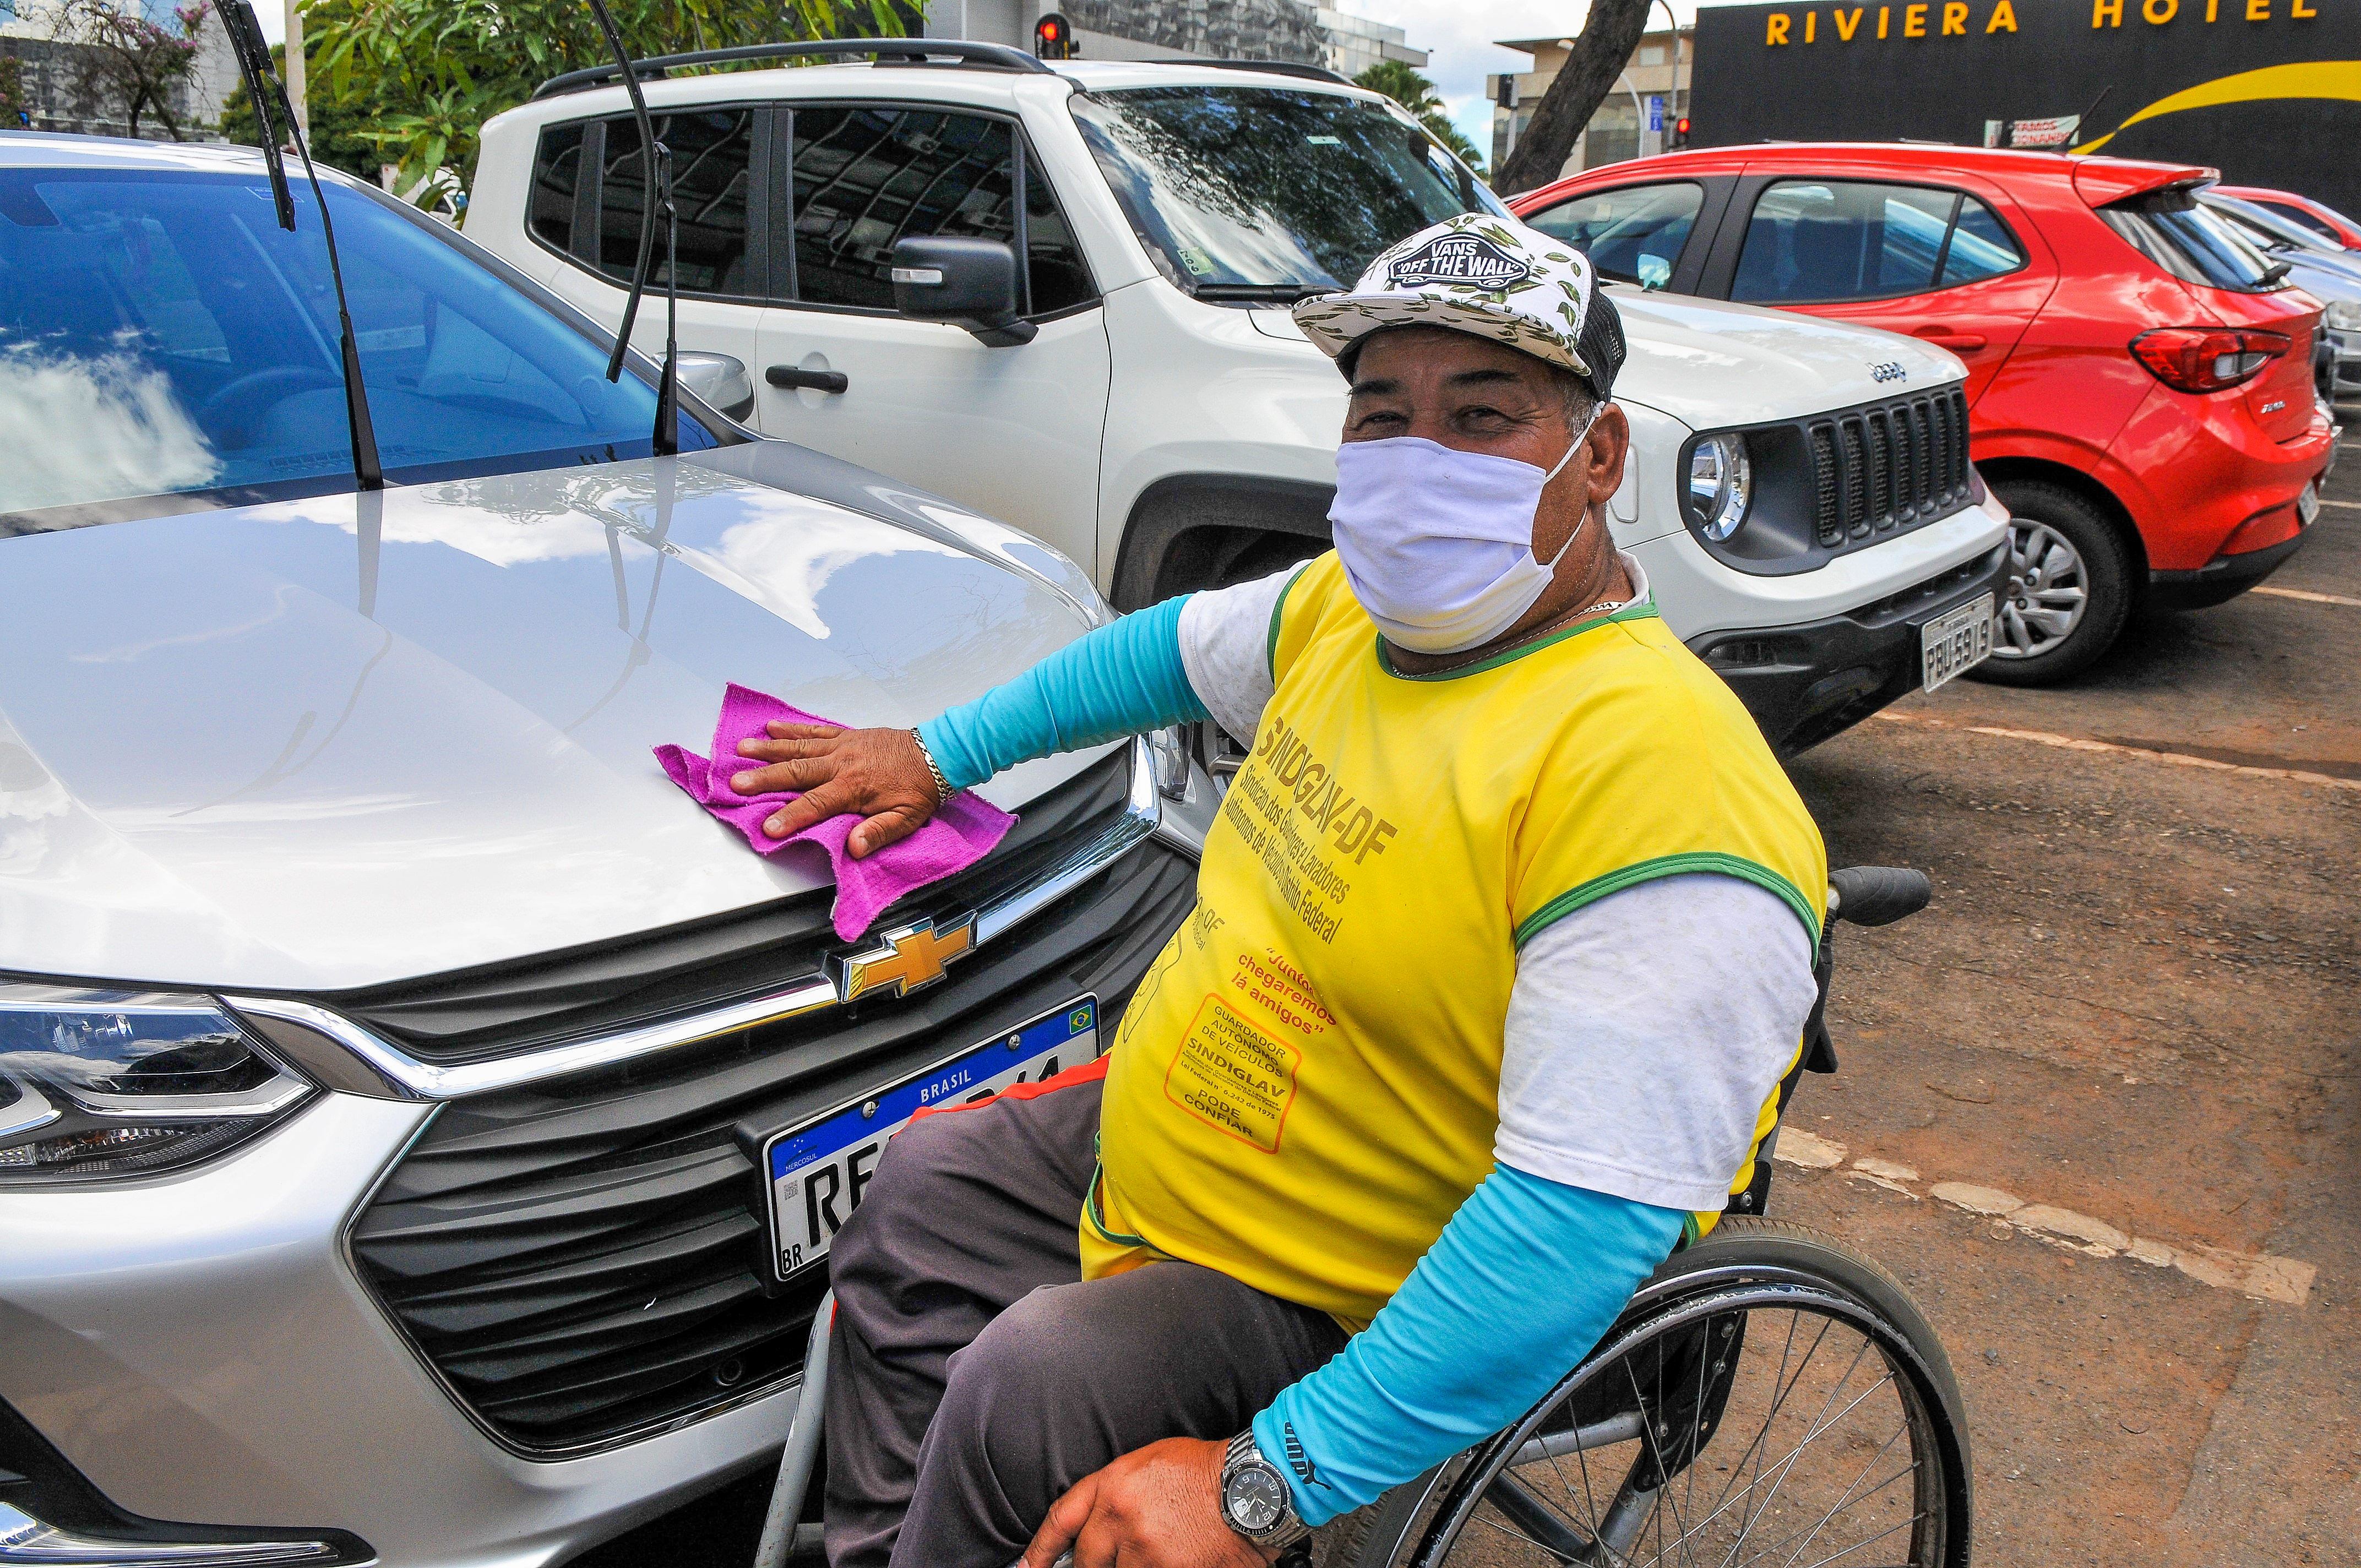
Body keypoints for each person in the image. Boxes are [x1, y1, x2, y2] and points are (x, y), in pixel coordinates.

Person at [726, 215, 1829, 1568]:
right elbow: (1152, 658)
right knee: (925, 1182)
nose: (1415, 459)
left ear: (1597, 455)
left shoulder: (1653, 776)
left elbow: (1575, 1223)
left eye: (1480, 415)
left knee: (1032, 1378)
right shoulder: (1352, 618)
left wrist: (1264, 1483)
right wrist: (935, 753)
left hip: (1354, 1268)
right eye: (1380, 414)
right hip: (1187, 1151)